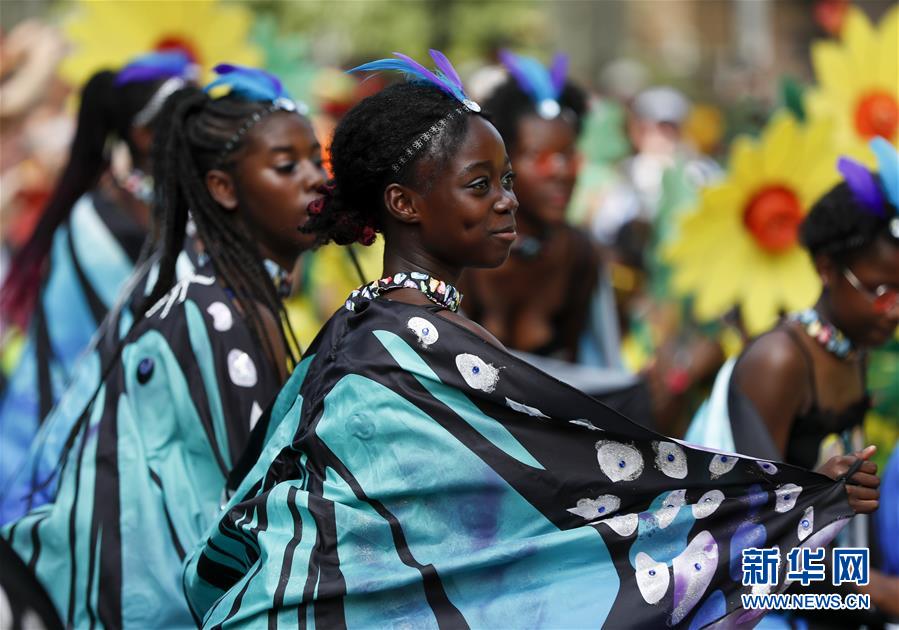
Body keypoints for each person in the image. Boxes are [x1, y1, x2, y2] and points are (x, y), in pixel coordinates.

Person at [183, 52, 879, 629]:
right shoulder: (414, 347)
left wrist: (804, 501)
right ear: (403, 204)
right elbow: (603, 489)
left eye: (507, 180)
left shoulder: (369, 329)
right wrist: (803, 500)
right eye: (480, 184)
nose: (507, 199)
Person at [2, 64, 326, 629]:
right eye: (286, 166)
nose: (318, 181)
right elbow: (238, 501)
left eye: (317, 161)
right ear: (222, 187)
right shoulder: (208, 308)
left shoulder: (223, 293)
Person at [686, 138, 899, 624]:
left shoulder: (852, 347)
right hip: (750, 593)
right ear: (827, 269)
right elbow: (755, 532)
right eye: (882, 291)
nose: (895, 311)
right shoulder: (780, 362)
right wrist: (874, 592)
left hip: (814, 576)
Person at [0, 52, 195, 506]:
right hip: (64, 449)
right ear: (144, 134)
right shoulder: (97, 225)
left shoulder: (163, 213)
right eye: (190, 117)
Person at [460, 51, 616, 365]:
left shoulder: (580, 255)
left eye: (569, 157)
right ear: (504, 164)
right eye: (541, 158)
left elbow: (594, 367)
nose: (562, 172)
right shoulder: (463, 253)